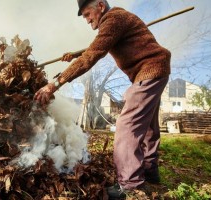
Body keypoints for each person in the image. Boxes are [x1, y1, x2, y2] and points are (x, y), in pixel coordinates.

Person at [34, 0, 171, 198]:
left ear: (100, 5)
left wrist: (55, 83)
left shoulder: (114, 18)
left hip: (149, 71)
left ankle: (131, 186)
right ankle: (150, 170)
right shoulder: (115, 22)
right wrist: (73, 55)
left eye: (88, 14)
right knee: (148, 125)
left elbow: (93, 54)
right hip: (157, 70)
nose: (87, 20)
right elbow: (96, 46)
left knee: (127, 125)